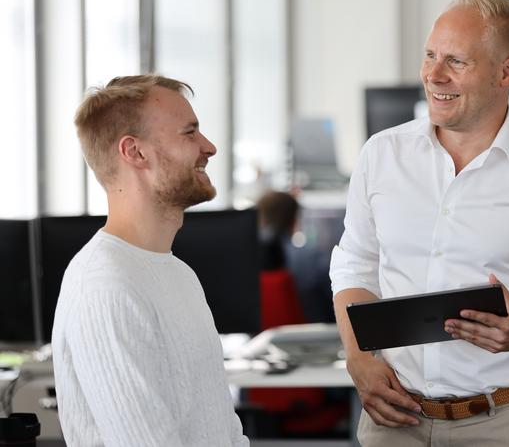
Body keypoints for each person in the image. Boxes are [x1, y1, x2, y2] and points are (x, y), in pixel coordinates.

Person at [330, 0, 509, 446]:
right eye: (430, 55)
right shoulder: (381, 155)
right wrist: (358, 357)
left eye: (456, 61)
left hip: (506, 422)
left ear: (507, 72)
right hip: (394, 418)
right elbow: (355, 265)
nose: (433, 74)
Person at [51, 75, 249, 447]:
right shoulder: (105, 286)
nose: (209, 147)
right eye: (189, 133)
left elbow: (223, 429)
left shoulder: (179, 273)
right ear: (135, 152)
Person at [256, 190, 335, 323]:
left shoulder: (244, 260)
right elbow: (334, 302)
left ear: (260, 220)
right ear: (294, 221)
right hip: (314, 333)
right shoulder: (313, 258)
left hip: (259, 335)